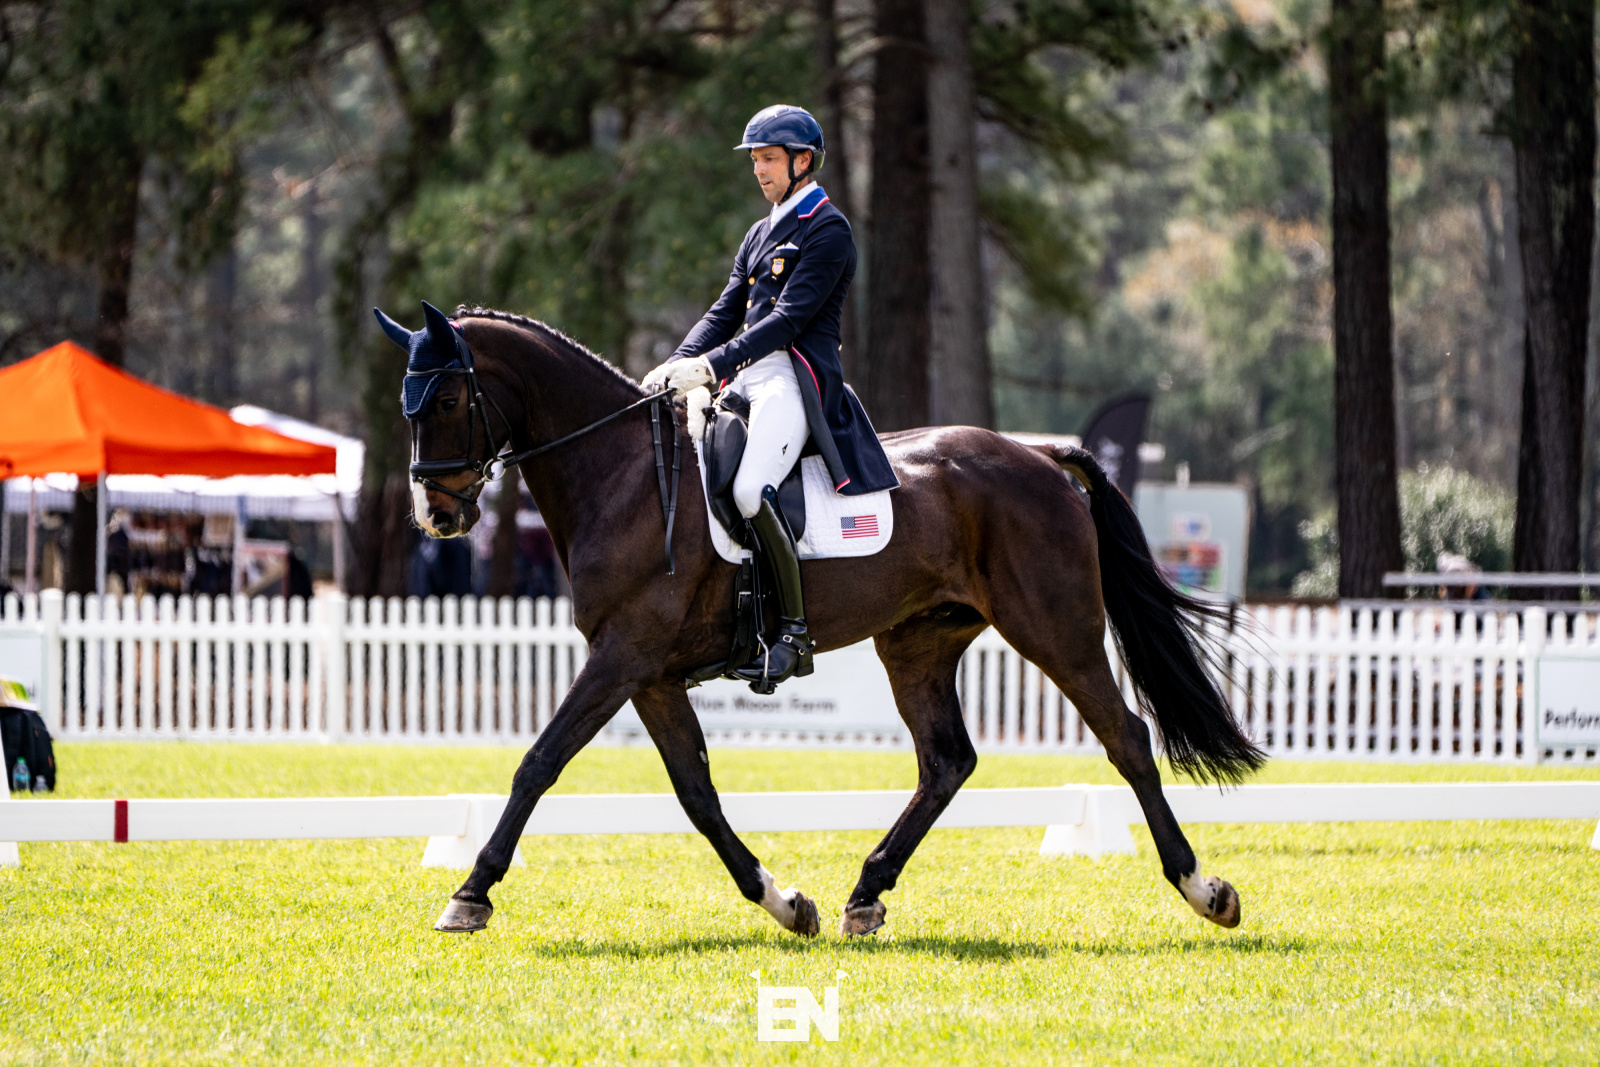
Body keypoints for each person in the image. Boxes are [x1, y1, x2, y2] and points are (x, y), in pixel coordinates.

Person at [643, 105, 898, 688]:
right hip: (744, 381)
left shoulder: (827, 227)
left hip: (791, 378)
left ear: (802, 161)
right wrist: (680, 361)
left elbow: (788, 320)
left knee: (751, 492)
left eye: (769, 159)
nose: (759, 170)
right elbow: (726, 309)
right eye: (755, 160)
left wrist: (711, 364)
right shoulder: (759, 233)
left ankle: (792, 633)